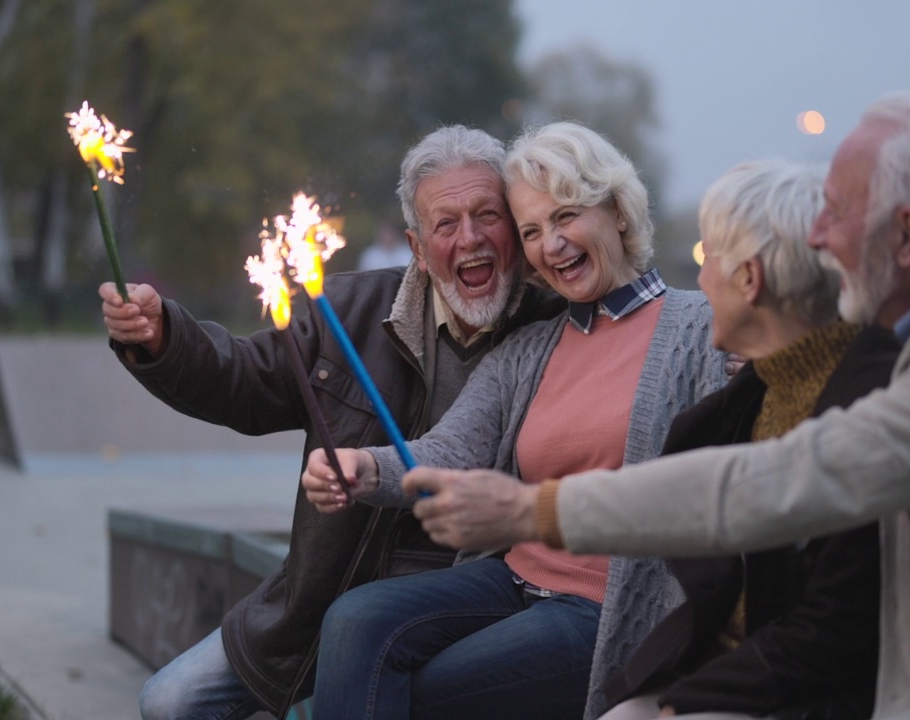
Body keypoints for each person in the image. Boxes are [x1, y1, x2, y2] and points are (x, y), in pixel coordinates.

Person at [405, 92, 910, 719]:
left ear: (907, 235)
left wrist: (535, 510)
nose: (819, 238)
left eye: (839, 212)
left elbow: (795, 480)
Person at [100, 124, 564, 720]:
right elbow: (243, 381)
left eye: (487, 215)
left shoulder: (553, 326)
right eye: (446, 224)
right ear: (418, 249)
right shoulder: (349, 311)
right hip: (330, 598)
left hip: (481, 603)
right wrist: (164, 335)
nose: (470, 238)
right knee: (169, 702)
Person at [301, 121, 727, 719]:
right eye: (531, 230)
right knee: (354, 618)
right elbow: (449, 450)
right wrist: (364, 468)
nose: (551, 245)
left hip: (610, 606)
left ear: (620, 213)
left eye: (566, 217)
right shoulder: (529, 350)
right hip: (515, 581)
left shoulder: (702, 331)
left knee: (426, 690)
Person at [599, 158, 899, 720]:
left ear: (749, 279)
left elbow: (834, 628)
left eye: (707, 257)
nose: (701, 279)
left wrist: (689, 700)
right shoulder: (756, 392)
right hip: (742, 669)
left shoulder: (868, 402)